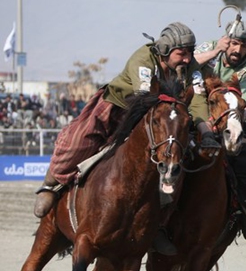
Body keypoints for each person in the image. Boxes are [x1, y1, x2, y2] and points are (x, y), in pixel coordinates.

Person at [32, 22, 220, 255]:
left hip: (159, 120)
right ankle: (51, 185)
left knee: (175, 163)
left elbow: (199, 101)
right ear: (164, 50)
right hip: (120, 108)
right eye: (182, 53)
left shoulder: (191, 67)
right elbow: (145, 96)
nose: (187, 58)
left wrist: (206, 131)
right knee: (77, 139)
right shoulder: (143, 58)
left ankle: (159, 224)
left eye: (190, 53)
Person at [194, 20, 246, 252]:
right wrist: (216, 50)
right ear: (226, 41)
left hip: (229, 123)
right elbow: (188, 64)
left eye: (244, 46)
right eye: (234, 44)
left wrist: (237, 114)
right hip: (194, 116)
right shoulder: (208, 49)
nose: (238, 50)